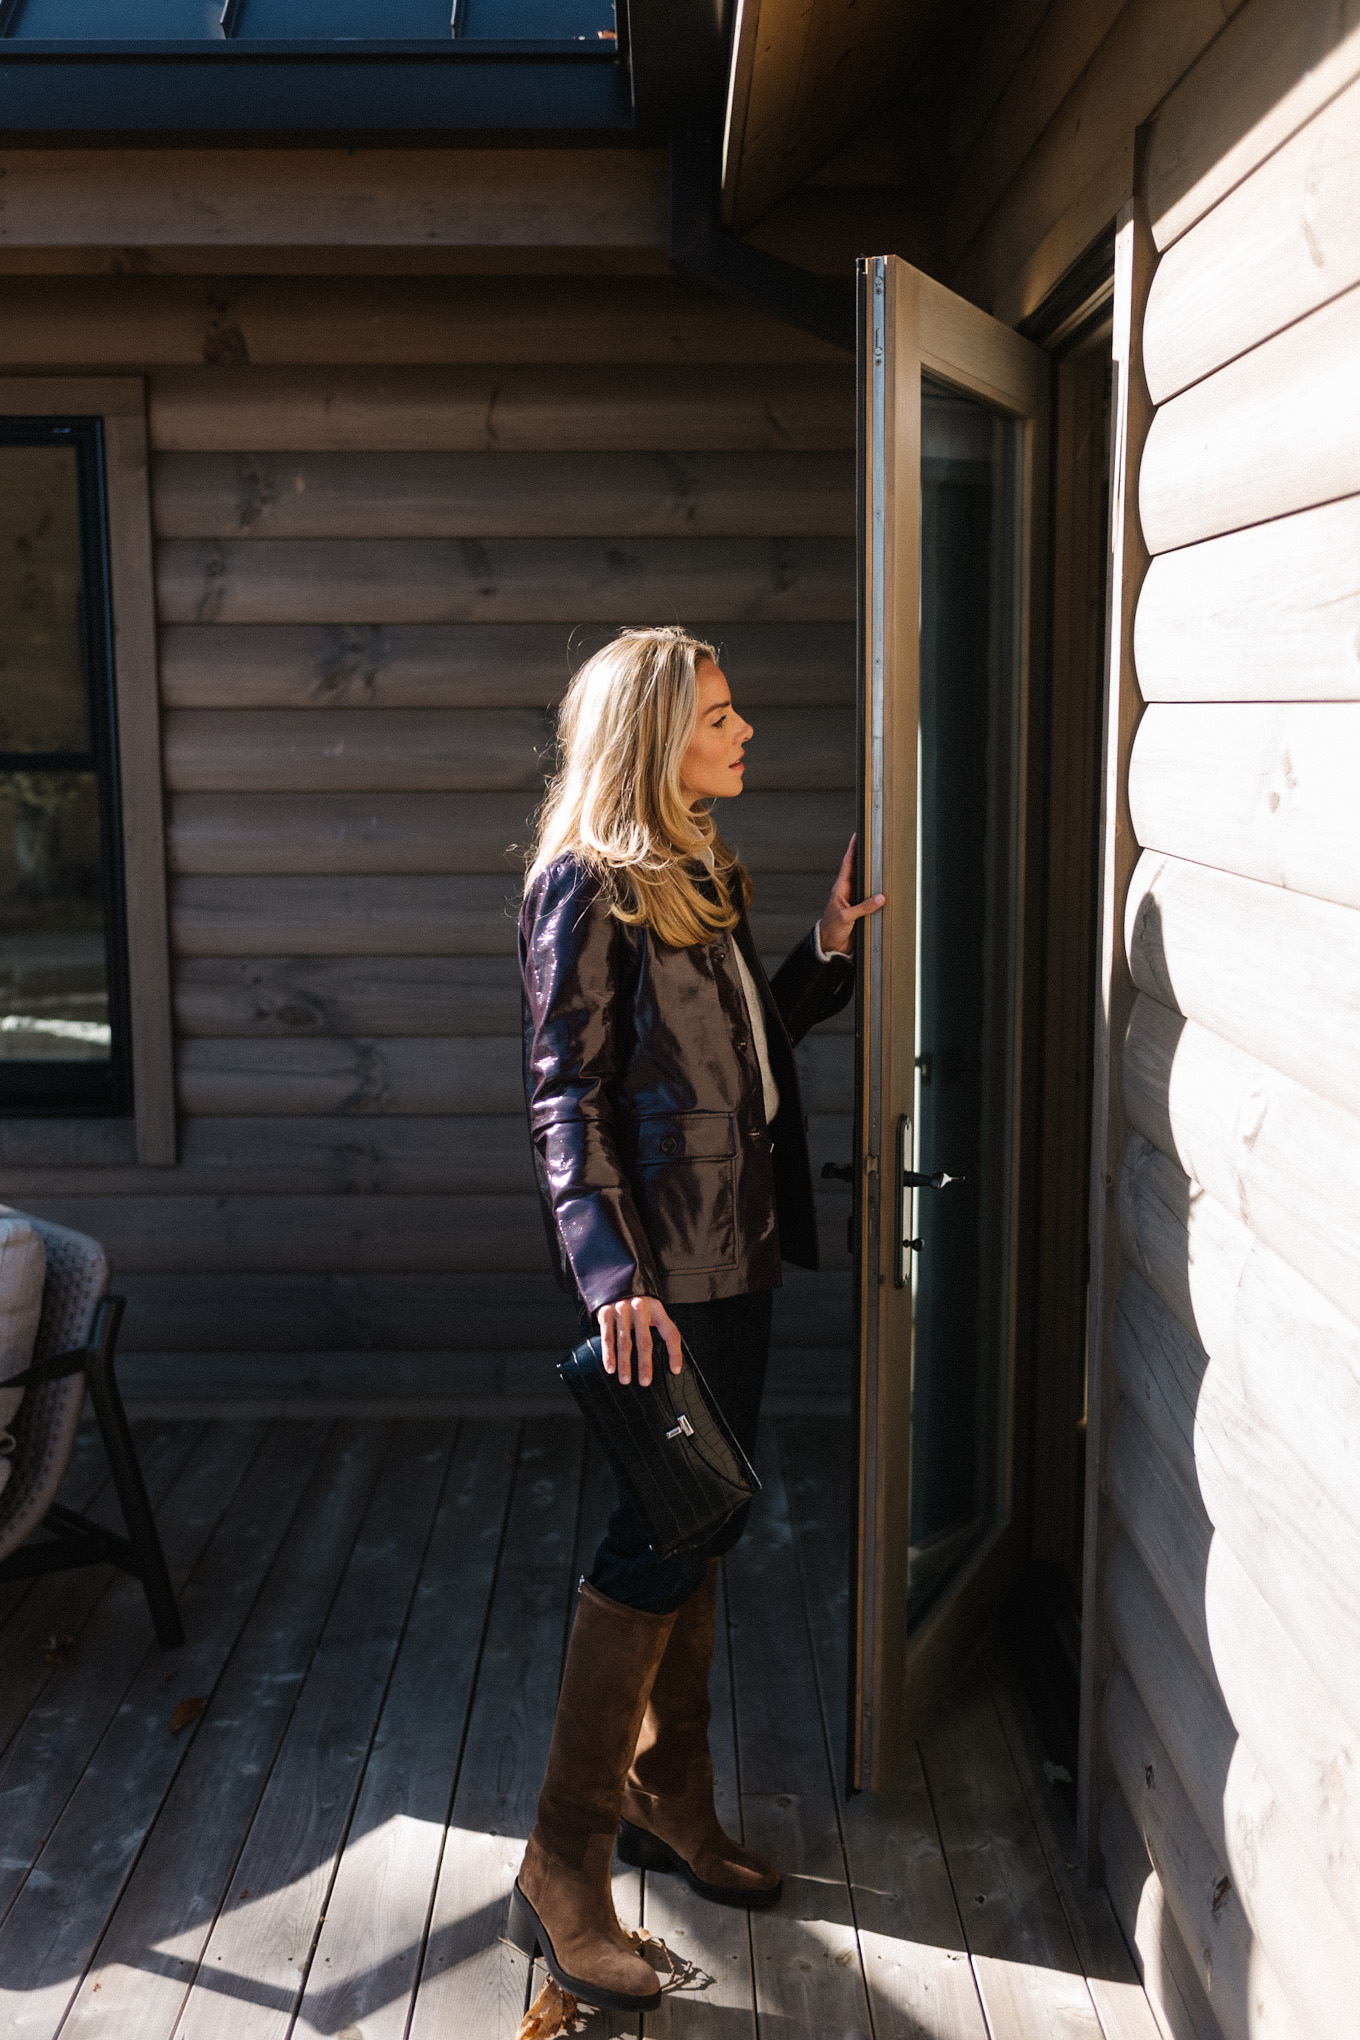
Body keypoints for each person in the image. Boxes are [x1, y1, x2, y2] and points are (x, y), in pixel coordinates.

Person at [506, 625, 884, 2013]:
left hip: (742, 1255)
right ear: (657, 736)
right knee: (662, 1527)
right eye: (720, 718)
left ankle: (672, 1797)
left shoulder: (703, 871)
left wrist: (821, 954)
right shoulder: (584, 889)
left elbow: (736, 1061)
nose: (744, 737)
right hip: (661, 1279)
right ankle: (562, 1864)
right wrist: (612, 1277)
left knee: (707, 1514)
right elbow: (568, 1102)